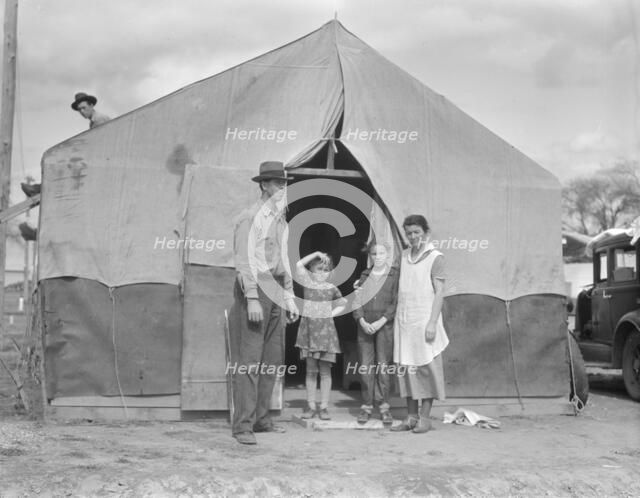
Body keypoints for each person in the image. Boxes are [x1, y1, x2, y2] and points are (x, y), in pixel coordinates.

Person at [229, 160, 300, 445]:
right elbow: (245, 261)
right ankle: (243, 427)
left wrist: (291, 297)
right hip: (255, 288)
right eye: (278, 184)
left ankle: (260, 418)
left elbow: (285, 263)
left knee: (271, 361)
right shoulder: (250, 217)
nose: (283, 189)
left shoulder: (281, 220)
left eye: (285, 185)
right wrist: (252, 298)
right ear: (264, 185)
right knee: (250, 362)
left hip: (276, 291)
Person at [390, 214, 449, 434]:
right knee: (408, 369)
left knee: (427, 370)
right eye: (409, 233)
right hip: (405, 321)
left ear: (426, 233)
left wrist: (432, 322)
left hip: (425, 320)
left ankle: (425, 418)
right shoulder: (404, 256)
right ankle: (411, 417)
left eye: (417, 232)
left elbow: (440, 292)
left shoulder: (436, 257)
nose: (413, 237)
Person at [295, 251, 347, 420]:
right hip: (309, 333)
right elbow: (298, 265)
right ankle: (310, 406)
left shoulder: (331, 288)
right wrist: (317, 254)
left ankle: (323, 407)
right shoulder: (307, 284)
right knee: (311, 372)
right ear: (311, 270)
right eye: (318, 269)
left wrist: (332, 313)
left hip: (326, 335)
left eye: (326, 270)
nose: (322, 273)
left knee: (325, 372)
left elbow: (343, 303)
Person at [352, 242, 399, 425]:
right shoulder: (364, 276)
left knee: (383, 367)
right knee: (365, 367)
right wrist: (362, 321)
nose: (378, 256)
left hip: (384, 327)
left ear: (387, 255)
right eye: (374, 253)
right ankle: (366, 406)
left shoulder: (394, 275)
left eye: (381, 253)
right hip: (365, 328)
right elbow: (357, 301)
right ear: (369, 255)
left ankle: (384, 406)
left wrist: (381, 321)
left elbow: (396, 302)